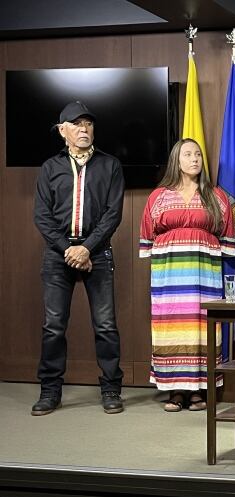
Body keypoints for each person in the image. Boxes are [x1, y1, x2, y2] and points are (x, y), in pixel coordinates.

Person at [32, 101, 124, 416]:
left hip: (97, 252)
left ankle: (111, 389)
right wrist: (68, 250)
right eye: (75, 124)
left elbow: (113, 214)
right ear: (63, 131)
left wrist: (87, 248)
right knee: (53, 325)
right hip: (58, 256)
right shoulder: (49, 167)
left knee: (106, 325)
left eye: (87, 124)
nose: (83, 129)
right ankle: (49, 392)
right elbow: (42, 217)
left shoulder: (110, 165)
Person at [139, 139, 235, 411]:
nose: (194, 159)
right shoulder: (158, 196)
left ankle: (198, 390)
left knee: (202, 325)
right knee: (171, 325)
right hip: (168, 274)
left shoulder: (216, 195)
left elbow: (227, 236)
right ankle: (175, 391)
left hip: (204, 273)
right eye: (187, 154)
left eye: (198, 154)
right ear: (176, 160)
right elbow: (147, 237)